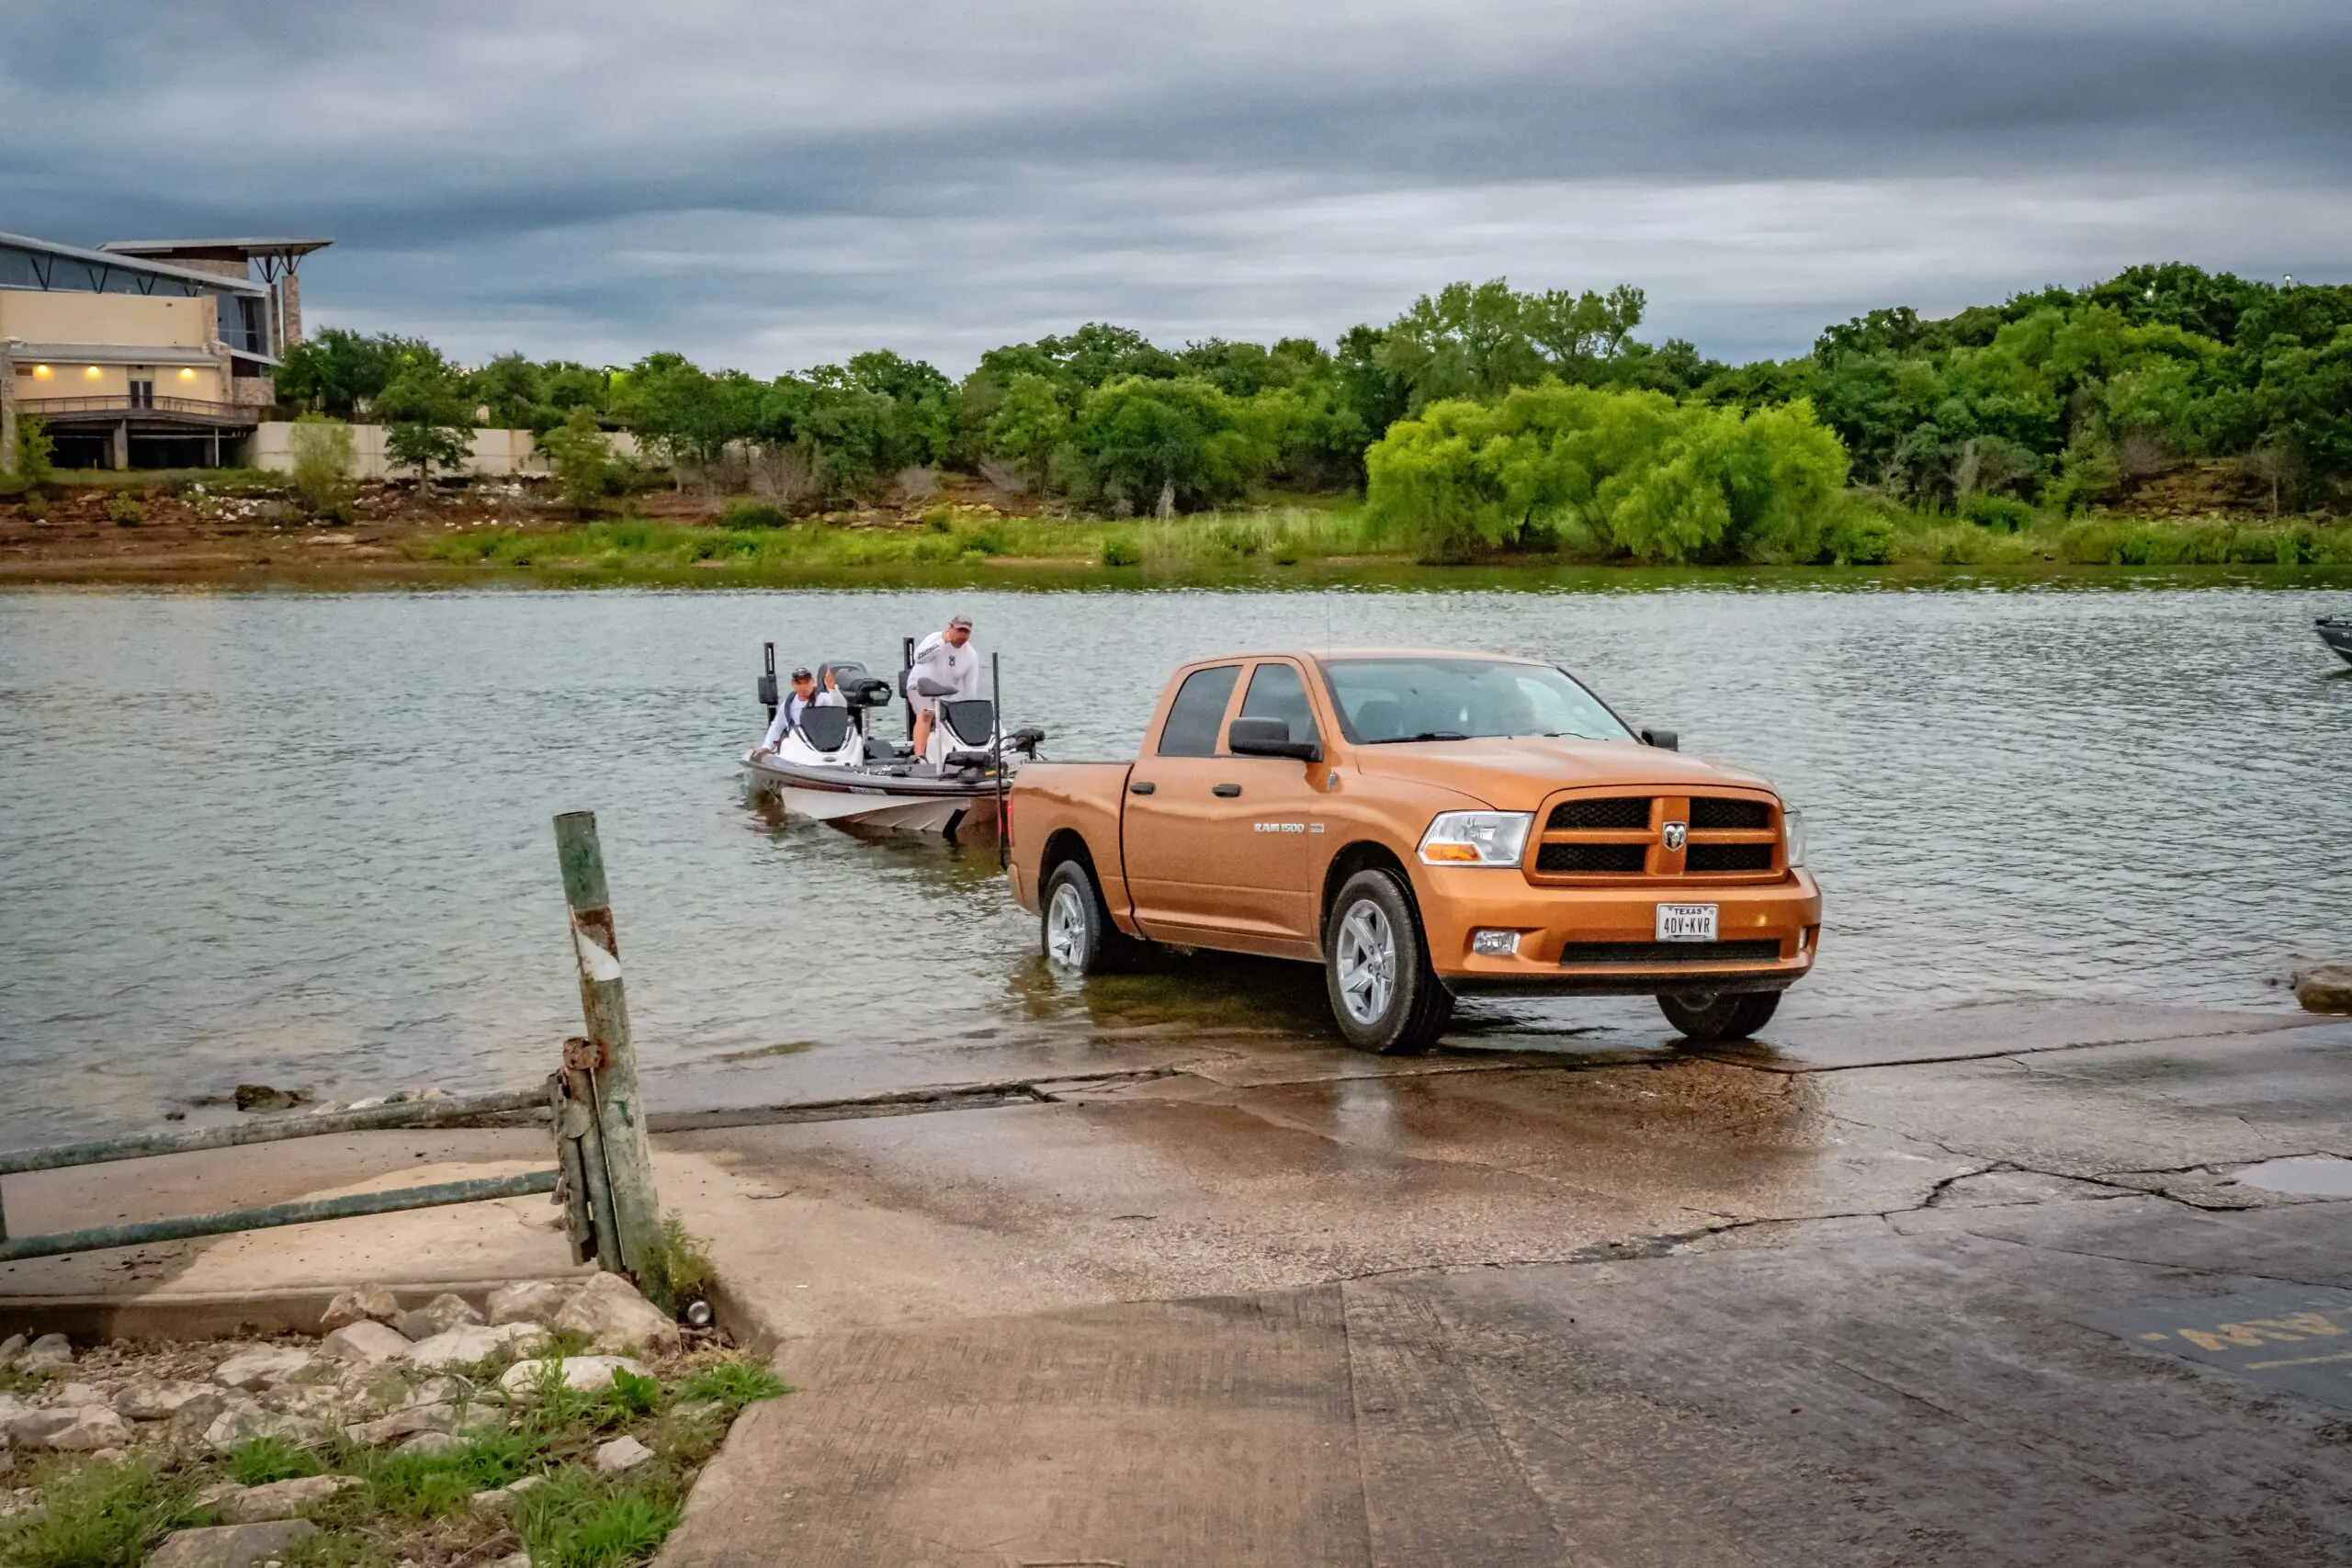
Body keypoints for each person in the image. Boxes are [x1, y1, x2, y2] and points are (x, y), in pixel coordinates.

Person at [906, 615, 978, 759]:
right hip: (920, 689)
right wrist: (942, 643)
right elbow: (918, 658)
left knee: (961, 717)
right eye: (959, 630)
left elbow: (970, 688)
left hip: (947, 695)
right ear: (950, 628)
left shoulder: (971, 655)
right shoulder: (934, 638)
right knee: (927, 713)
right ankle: (918, 757)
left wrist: (971, 711)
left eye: (966, 632)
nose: (963, 635)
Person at [754, 667, 844, 756]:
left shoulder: (823, 698)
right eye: (799, 683)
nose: (803, 686)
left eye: (806, 682)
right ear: (793, 684)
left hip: (819, 745)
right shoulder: (788, 704)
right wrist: (767, 746)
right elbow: (777, 726)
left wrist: (832, 689)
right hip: (797, 747)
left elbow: (841, 706)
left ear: (812, 682)